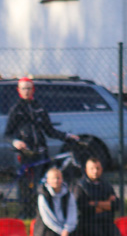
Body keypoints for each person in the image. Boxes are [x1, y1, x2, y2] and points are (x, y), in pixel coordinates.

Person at [4, 77, 80, 219]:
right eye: (23, 88)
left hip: (41, 153)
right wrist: (16, 142)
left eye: (29, 88)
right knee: (25, 185)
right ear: (18, 90)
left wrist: (67, 136)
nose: (26, 91)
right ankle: (25, 213)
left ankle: (41, 212)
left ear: (33, 89)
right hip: (26, 154)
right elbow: (7, 134)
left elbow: (50, 130)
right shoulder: (16, 110)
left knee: (43, 183)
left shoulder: (39, 107)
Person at [33, 167, 92, 236]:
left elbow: (72, 214)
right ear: (48, 180)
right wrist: (61, 232)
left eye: (58, 178)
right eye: (53, 178)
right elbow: (47, 218)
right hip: (49, 228)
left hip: (66, 228)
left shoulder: (68, 194)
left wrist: (67, 230)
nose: (56, 181)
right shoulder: (43, 195)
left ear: (62, 179)